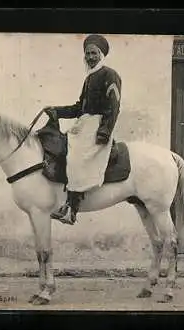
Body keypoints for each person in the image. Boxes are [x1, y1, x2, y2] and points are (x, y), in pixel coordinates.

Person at [43, 34, 122, 225]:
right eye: (87, 53)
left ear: (101, 54)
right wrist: (57, 111)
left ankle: (72, 209)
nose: (90, 57)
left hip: (97, 125)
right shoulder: (89, 78)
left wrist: (104, 131)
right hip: (84, 124)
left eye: (94, 53)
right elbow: (79, 108)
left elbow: (114, 105)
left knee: (77, 156)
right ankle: (68, 204)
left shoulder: (109, 75)